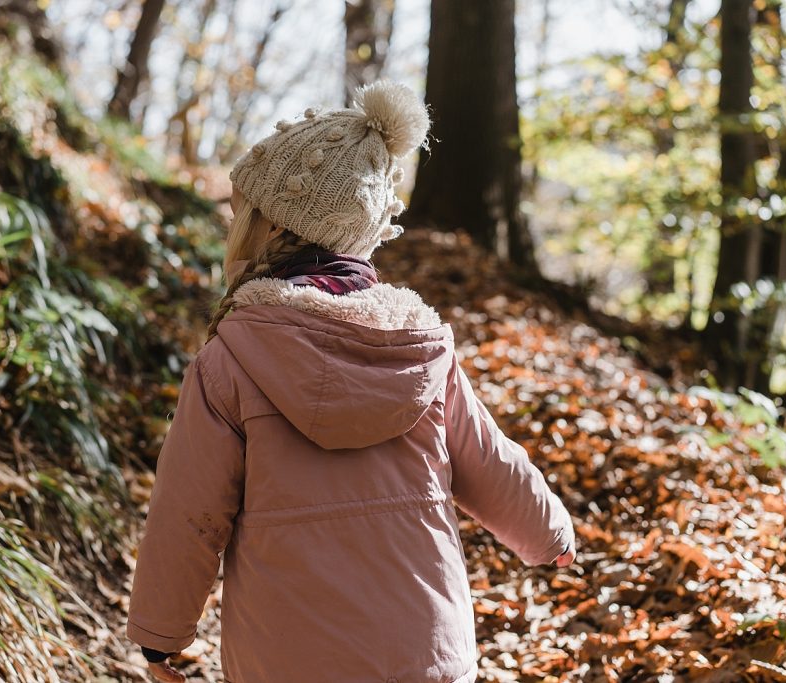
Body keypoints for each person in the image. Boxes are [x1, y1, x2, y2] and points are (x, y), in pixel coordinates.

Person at [126, 80, 576, 683]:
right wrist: (550, 534)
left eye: (242, 215)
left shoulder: (232, 356)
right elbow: (491, 461)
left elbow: (189, 511)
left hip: (288, 658)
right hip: (426, 650)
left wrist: (161, 636)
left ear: (271, 229)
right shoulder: (420, 348)